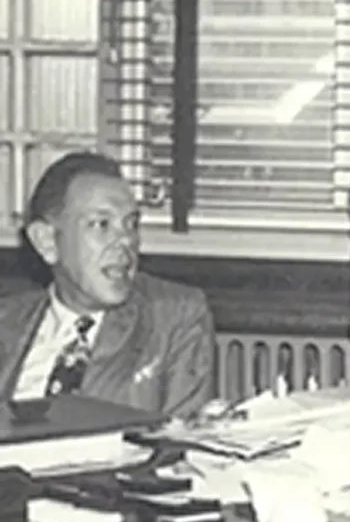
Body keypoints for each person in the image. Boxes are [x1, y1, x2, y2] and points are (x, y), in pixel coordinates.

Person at [0, 151, 215, 420]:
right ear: (47, 241)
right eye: (101, 224)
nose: (125, 240)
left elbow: (182, 444)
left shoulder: (173, 317)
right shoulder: (7, 321)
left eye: (131, 224)